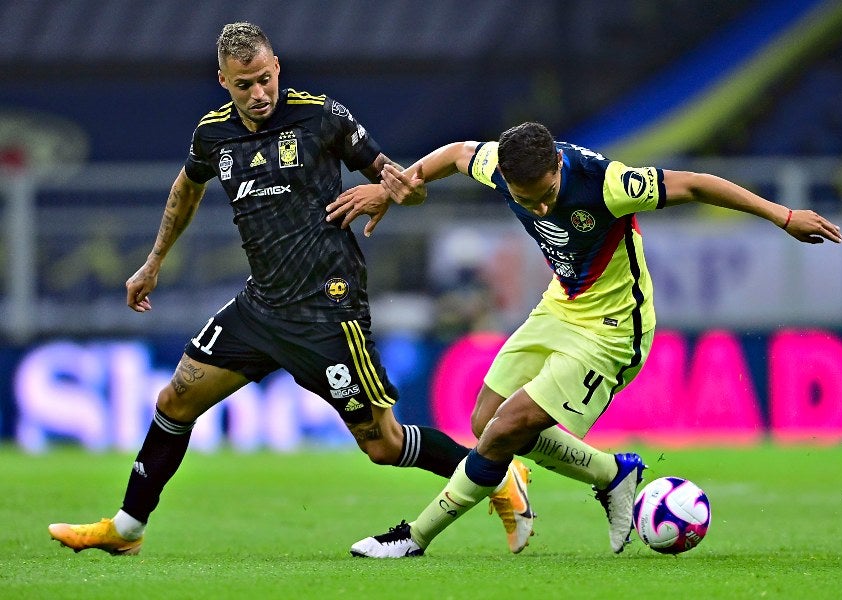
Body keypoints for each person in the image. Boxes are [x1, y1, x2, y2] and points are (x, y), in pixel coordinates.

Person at [48, 22, 533, 557]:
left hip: (329, 309)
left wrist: (384, 194)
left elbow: (406, 187)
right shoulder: (213, 134)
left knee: (383, 444)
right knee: (175, 399)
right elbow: (187, 186)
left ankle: (500, 475)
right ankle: (127, 529)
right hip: (261, 307)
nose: (257, 94)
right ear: (222, 82)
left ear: (276, 66)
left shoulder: (322, 116)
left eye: (263, 79)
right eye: (242, 85)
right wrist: (154, 260)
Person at [327, 121, 842, 557]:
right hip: (561, 304)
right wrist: (397, 185)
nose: (543, 209)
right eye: (529, 200)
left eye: (549, 194)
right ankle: (613, 474)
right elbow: (457, 154)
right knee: (485, 420)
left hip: (613, 329)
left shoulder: (607, 183)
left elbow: (697, 184)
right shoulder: (499, 167)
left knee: (504, 430)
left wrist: (784, 216)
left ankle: (413, 538)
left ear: (558, 166)